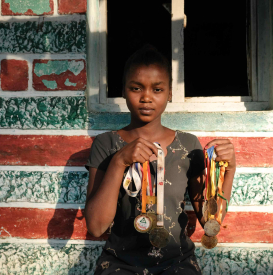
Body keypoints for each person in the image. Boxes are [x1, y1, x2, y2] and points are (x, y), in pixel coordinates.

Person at [85, 46, 236, 274]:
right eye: (136, 88)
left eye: (157, 89)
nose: (146, 97)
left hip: (178, 263)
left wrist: (230, 169)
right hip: (120, 263)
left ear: (169, 94)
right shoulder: (107, 144)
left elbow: (209, 223)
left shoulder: (187, 145)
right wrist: (119, 161)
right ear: (124, 91)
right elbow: (96, 227)